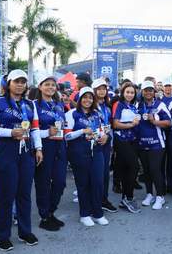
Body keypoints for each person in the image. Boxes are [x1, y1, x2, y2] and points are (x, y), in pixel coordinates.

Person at [0, 69, 43, 250]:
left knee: (24, 194)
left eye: (23, 82)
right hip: (4, 151)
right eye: (16, 81)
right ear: (8, 84)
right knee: (6, 195)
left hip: (26, 151)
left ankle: (25, 232)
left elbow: (34, 128)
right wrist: (11, 133)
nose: (20, 84)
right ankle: (2, 236)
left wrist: (39, 148)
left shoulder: (30, 104)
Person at [65, 87, 109, 227]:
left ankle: (97, 213)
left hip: (96, 150)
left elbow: (103, 130)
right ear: (79, 98)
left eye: (90, 97)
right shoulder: (72, 114)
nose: (88, 100)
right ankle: (84, 214)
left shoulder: (96, 113)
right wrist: (82, 131)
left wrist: (105, 137)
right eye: (85, 97)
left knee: (98, 182)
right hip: (78, 152)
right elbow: (66, 136)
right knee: (83, 183)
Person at [33, 75, 68, 231]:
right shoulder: (33, 105)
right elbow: (30, 130)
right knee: (43, 183)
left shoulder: (59, 105)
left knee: (60, 182)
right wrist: (47, 132)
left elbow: (63, 125)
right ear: (40, 87)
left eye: (53, 85)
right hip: (43, 147)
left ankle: (51, 211)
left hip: (60, 146)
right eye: (47, 84)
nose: (50, 87)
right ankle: (44, 216)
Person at [137, 80, 171, 210]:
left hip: (157, 144)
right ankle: (149, 194)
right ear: (142, 92)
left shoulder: (160, 105)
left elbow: (168, 123)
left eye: (150, 90)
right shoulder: (138, 105)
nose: (148, 92)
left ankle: (160, 197)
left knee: (155, 170)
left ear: (154, 91)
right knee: (146, 171)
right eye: (146, 90)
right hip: (142, 144)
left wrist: (154, 121)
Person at [112, 82, 141, 213]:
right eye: (127, 92)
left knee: (126, 168)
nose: (130, 94)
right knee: (134, 166)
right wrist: (131, 124)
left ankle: (125, 198)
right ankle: (128, 197)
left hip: (132, 141)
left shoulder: (133, 106)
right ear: (123, 92)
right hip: (121, 140)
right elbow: (115, 124)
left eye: (132, 92)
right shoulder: (119, 105)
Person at [92, 78, 118, 213]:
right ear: (94, 91)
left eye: (104, 89)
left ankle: (104, 199)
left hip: (106, 142)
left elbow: (108, 127)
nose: (102, 91)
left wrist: (109, 139)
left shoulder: (107, 107)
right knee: (97, 175)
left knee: (105, 174)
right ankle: (95, 201)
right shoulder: (90, 105)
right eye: (99, 89)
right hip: (94, 143)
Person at [160, 80, 172, 194]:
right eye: (166, 86)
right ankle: (162, 186)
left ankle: (170, 185)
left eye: (169, 86)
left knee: (171, 162)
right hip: (161, 133)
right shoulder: (159, 101)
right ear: (163, 88)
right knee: (161, 162)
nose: (168, 88)